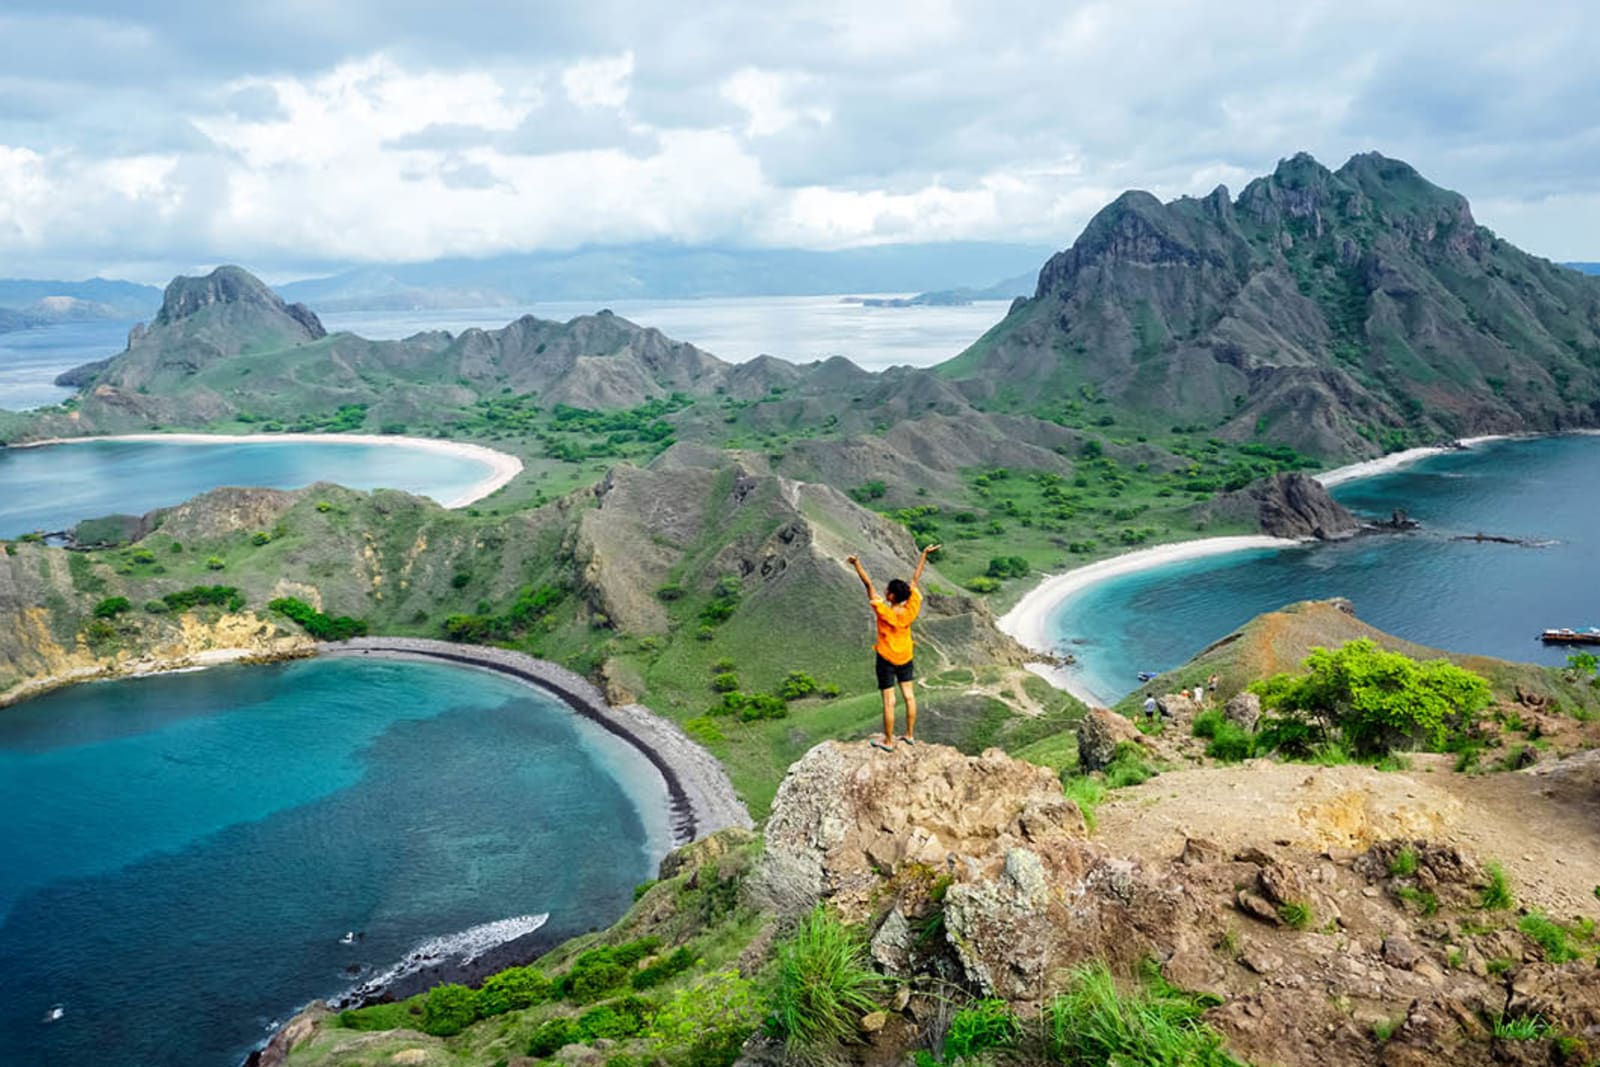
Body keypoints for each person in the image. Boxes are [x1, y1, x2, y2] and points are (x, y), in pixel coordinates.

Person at [847, 543, 939, 752]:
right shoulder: (911, 608)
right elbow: (915, 580)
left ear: (890, 596)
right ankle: (909, 734)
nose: (885, 591)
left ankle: (888, 742)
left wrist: (856, 564)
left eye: (887, 590)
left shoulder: (884, 612)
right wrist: (923, 554)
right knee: (909, 696)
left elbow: (868, 584)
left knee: (889, 701)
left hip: (886, 657)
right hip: (906, 655)